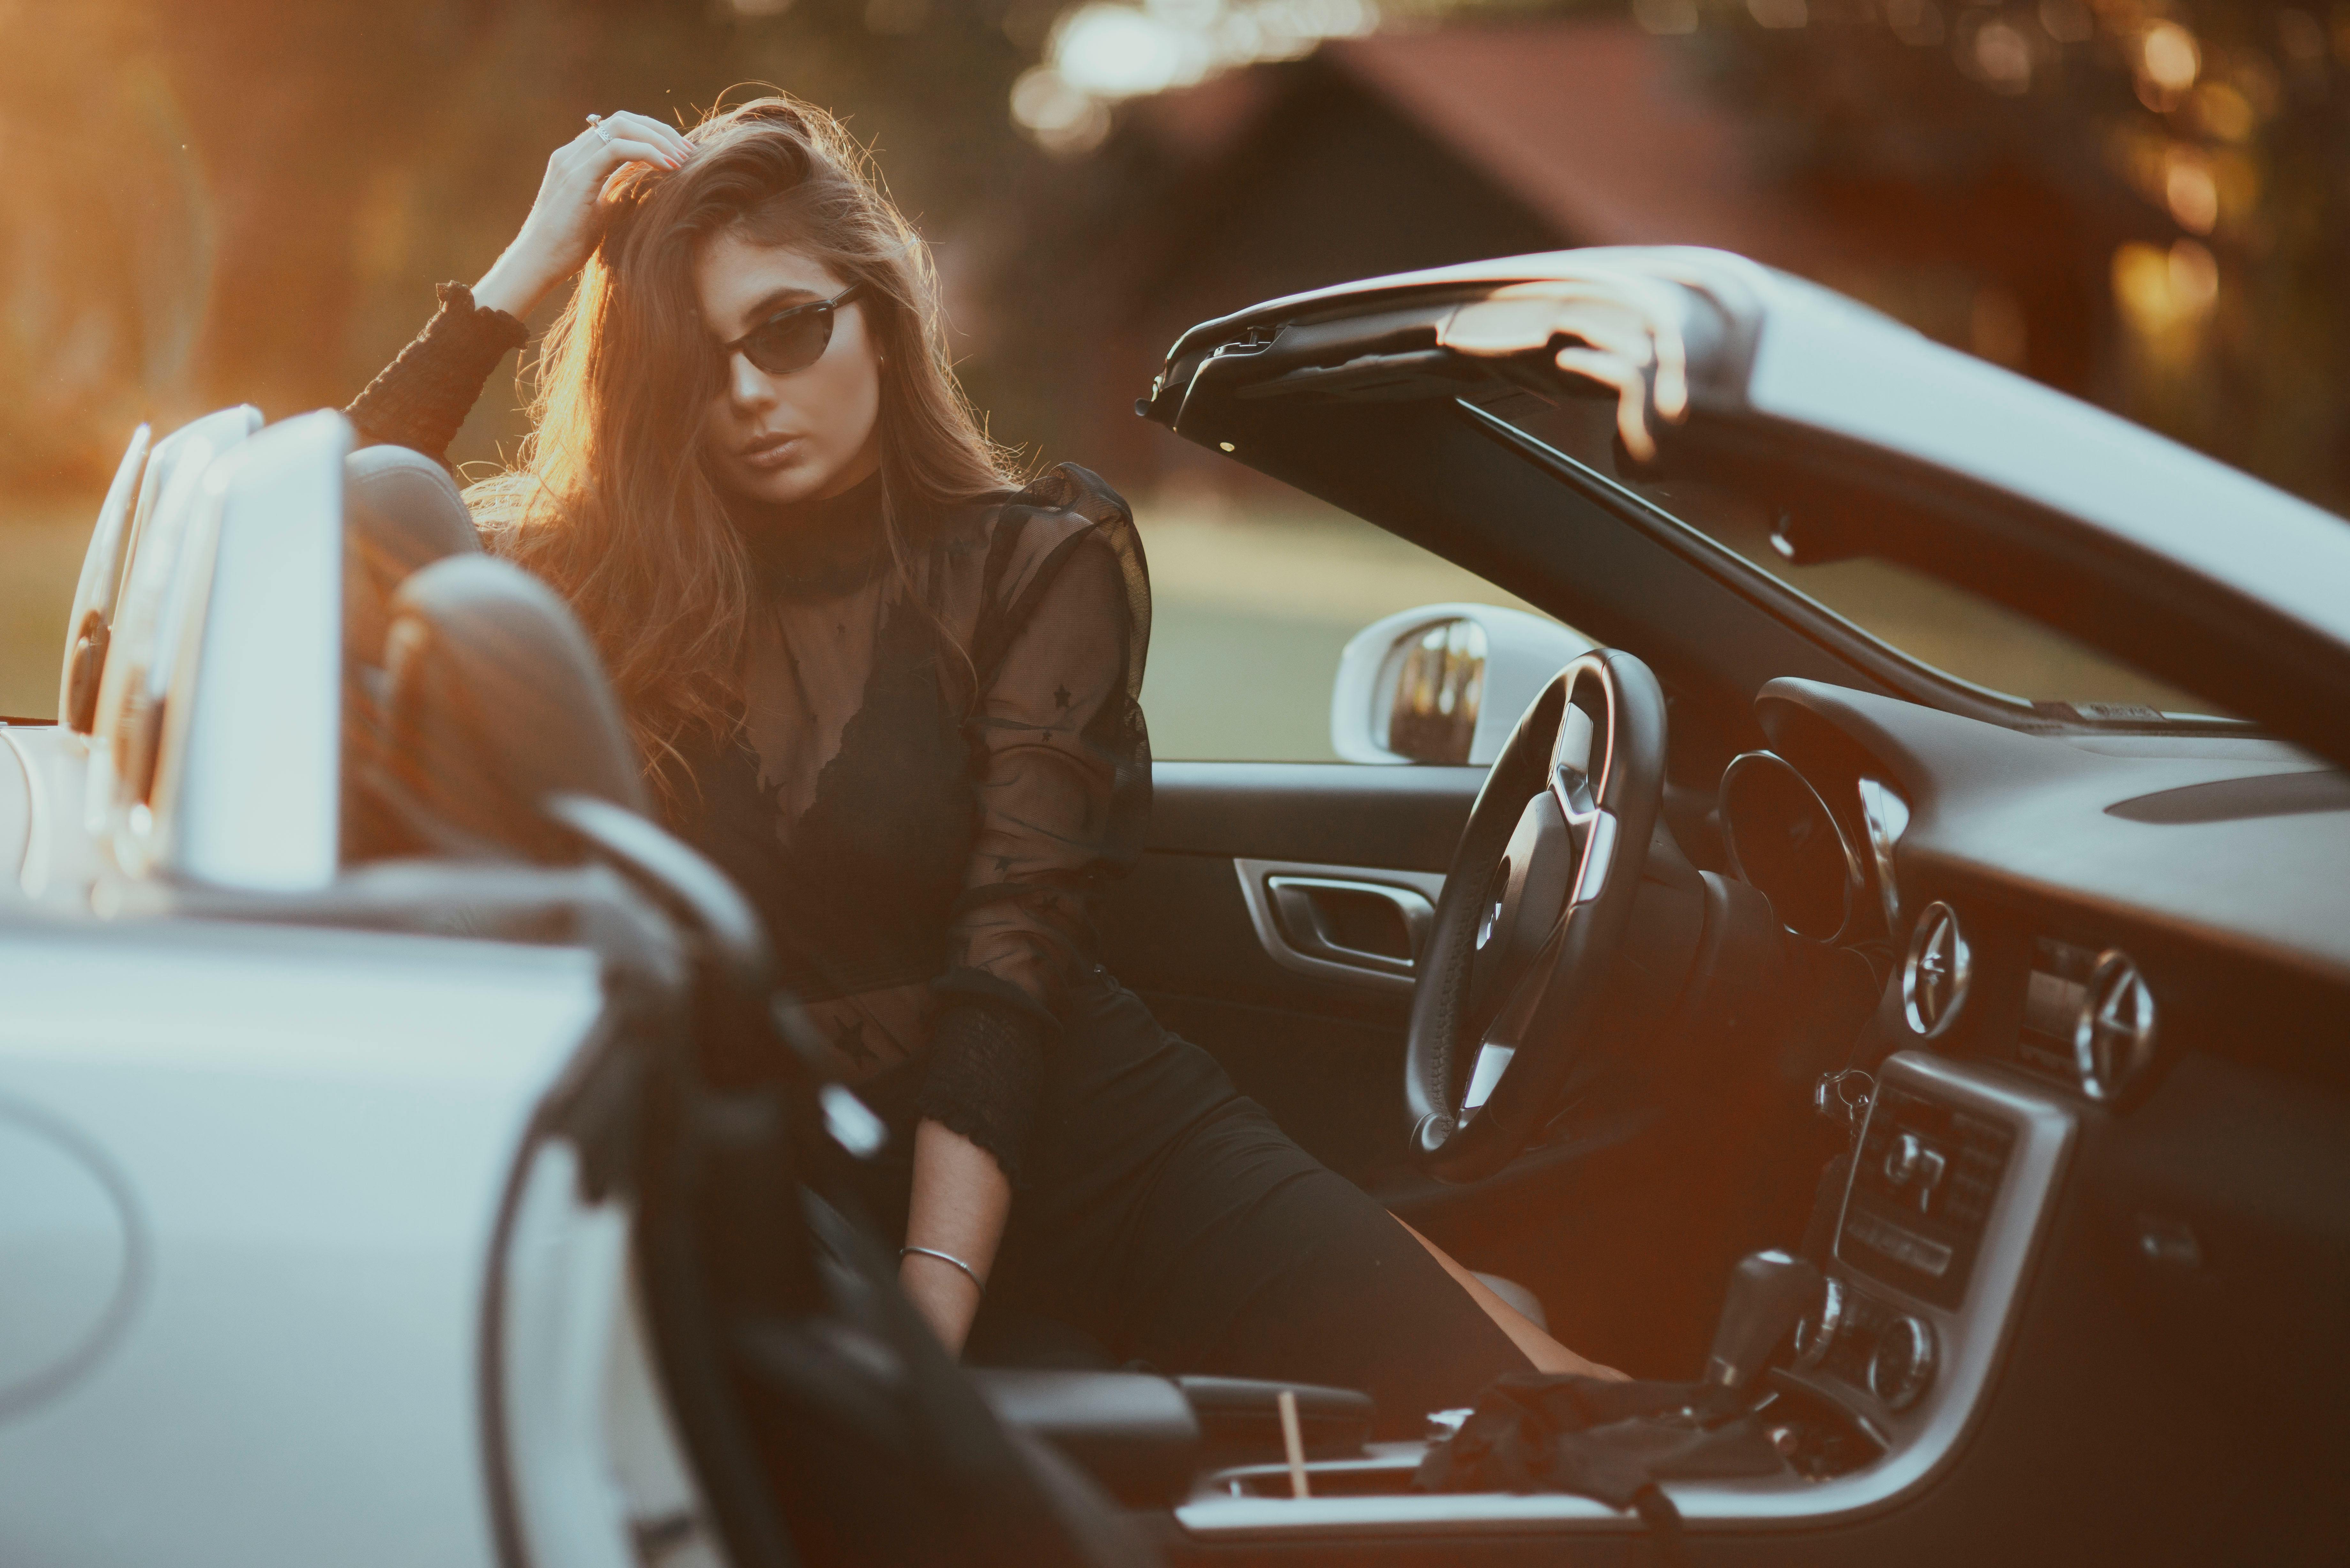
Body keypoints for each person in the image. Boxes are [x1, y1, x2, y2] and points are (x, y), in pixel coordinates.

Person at [347, 93, 1619, 1427]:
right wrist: (518, 277)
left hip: (1091, 1142)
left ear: (882, 313)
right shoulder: (583, 576)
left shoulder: (1033, 559)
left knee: (1542, 1414)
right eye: (696, 359)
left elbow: (1012, 963)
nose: (746, 396)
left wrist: (931, 1313)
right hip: (781, 1180)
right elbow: (323, 527)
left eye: (787, 329)